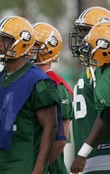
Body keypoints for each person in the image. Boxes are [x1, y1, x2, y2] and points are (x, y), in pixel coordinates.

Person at [0, 15, 61, 174]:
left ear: (21, 43)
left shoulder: (37, 81)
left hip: (24, 166)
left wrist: (39, 169)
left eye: (3, 39)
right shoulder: (0, 78)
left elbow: (51, 127)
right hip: (0, 166)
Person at [68, 6, 110, 173]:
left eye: (85, 31)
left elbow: (107, 112)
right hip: (92, 159)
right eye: (80, 32)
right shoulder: (91, 68)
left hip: (106, 157)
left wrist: (83, 153)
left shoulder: (105, 69)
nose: (81, 38)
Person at [30, 22, 73, 174]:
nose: (27, 49)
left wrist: (41, 167)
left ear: (49, 49)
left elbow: (61, 139)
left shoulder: (56, 84)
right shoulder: (28, 79)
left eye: (34, 45)